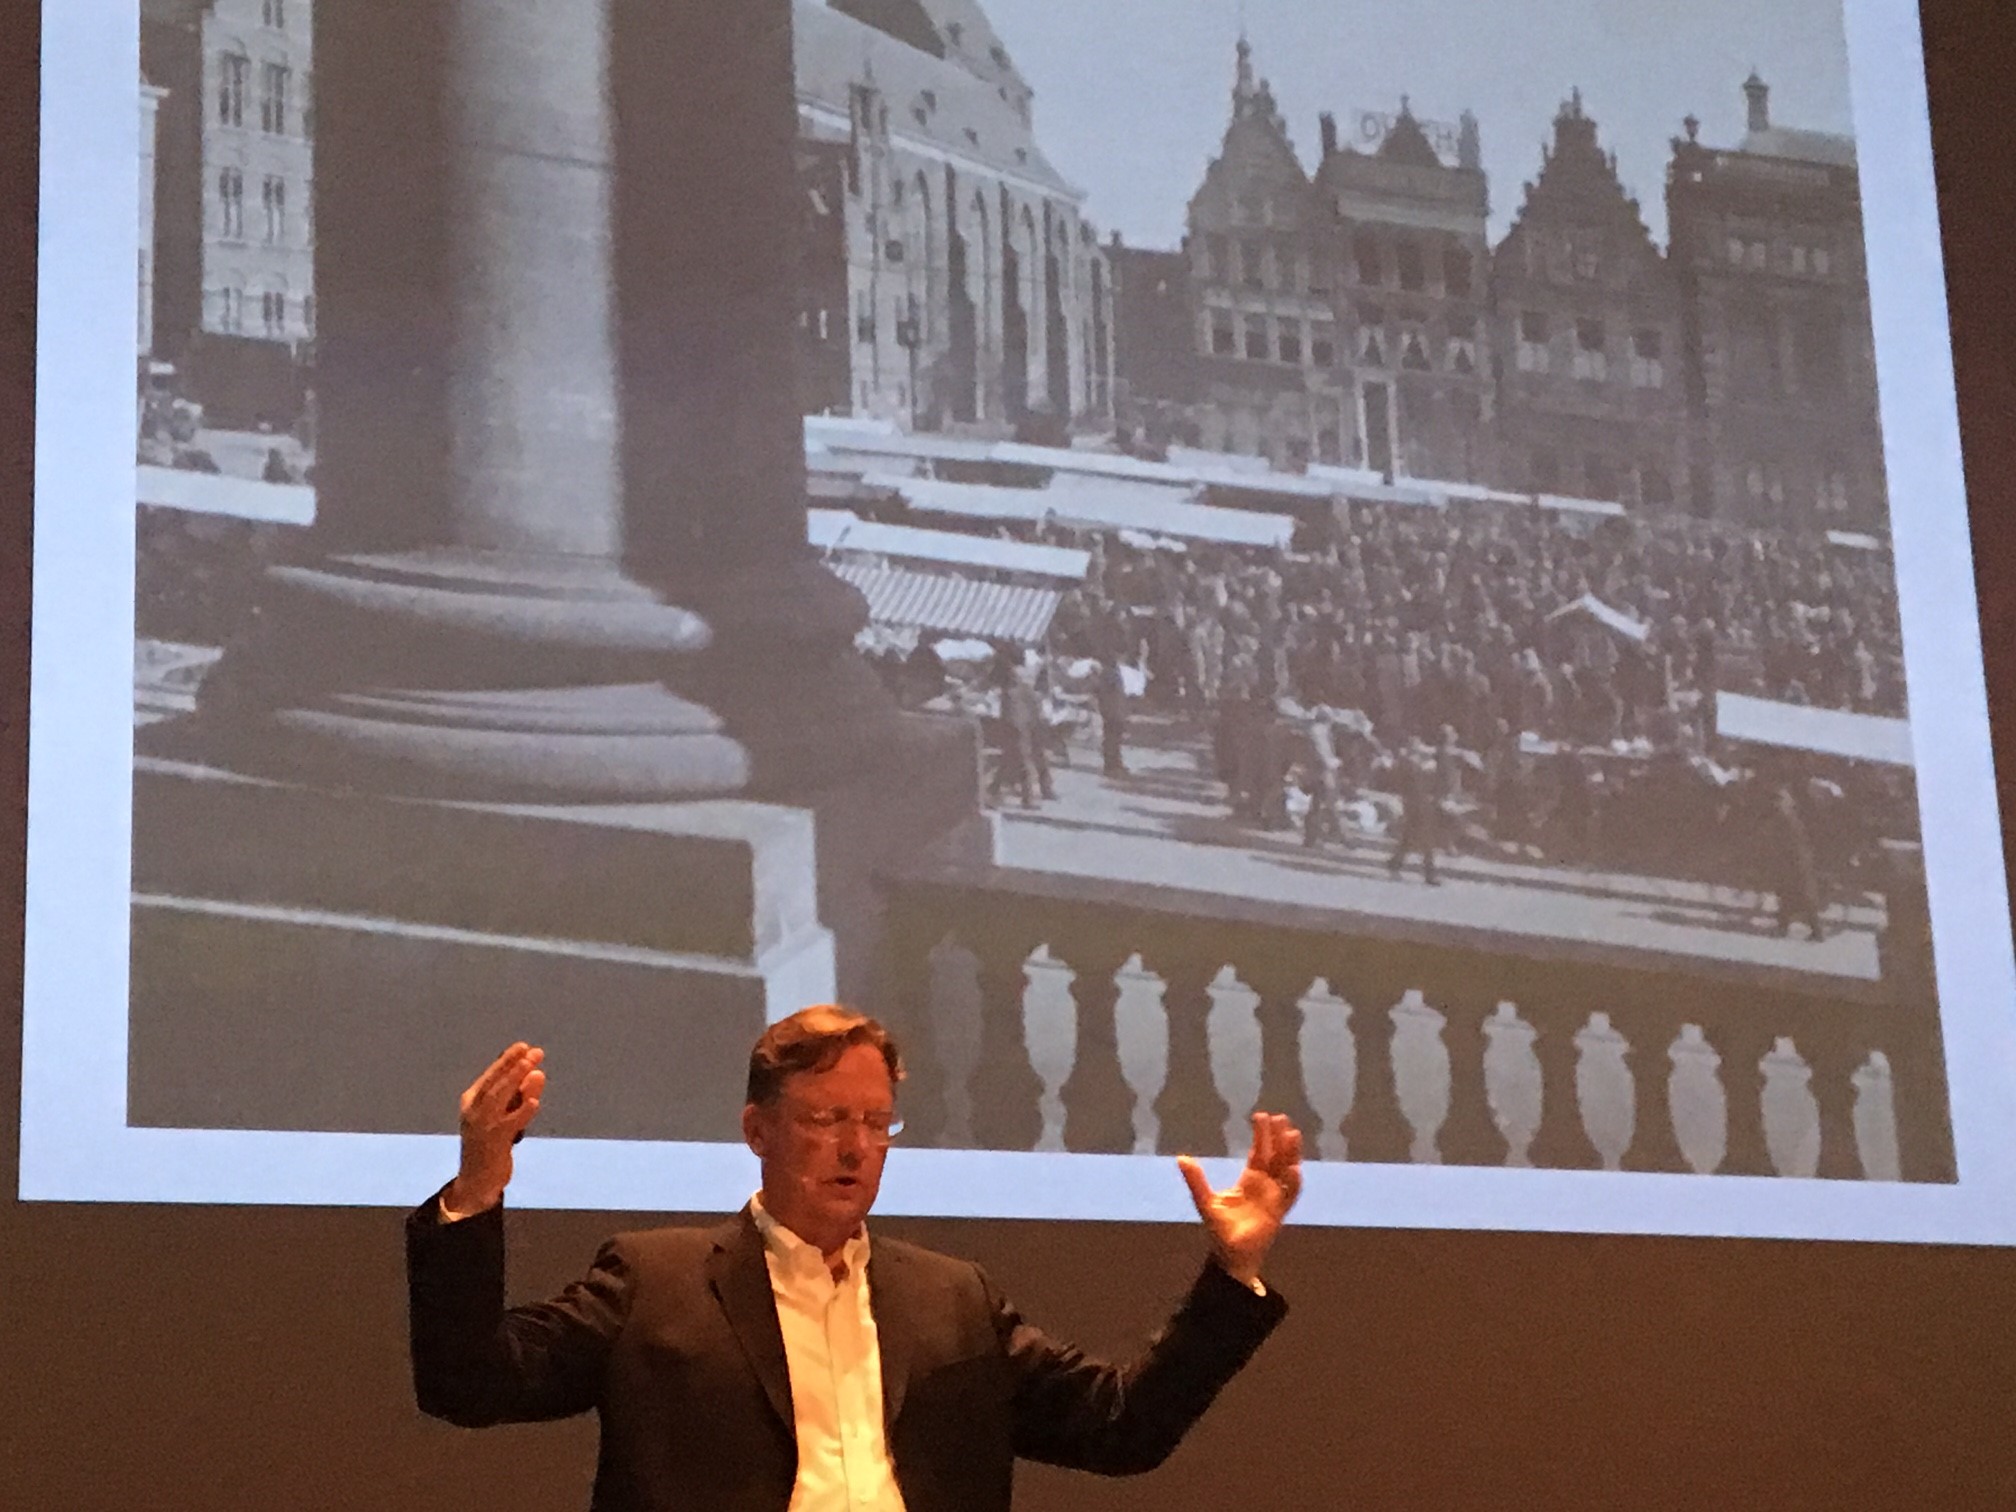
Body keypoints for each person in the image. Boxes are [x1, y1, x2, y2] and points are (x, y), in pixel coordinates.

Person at [408, 1007, 1300, 1511]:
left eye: (876, 1123)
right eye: (826, 1119)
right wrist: (477, 1189)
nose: (855, 1147)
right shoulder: (654, 1281)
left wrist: (1231, 1275)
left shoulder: (954, 1299)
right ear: (758, 1129)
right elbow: (469, 1384)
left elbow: (1122, 1429)